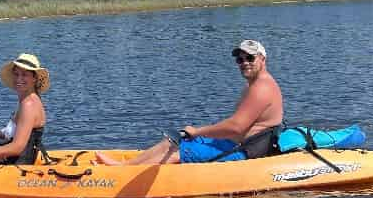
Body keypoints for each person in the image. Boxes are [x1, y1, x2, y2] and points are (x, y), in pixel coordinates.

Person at [96, 40, 283, 165]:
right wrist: (194, 133)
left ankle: (121, 177)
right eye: (240, 59)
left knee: (178, 151)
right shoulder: (255, 85)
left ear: (263, 59)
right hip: (234, 143)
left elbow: (236, 127)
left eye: (250, 58)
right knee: (176, 139)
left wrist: (198, 131)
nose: (244, 63)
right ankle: (125, 166)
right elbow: (236, 127)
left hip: (245, 152)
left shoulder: (262, 88)